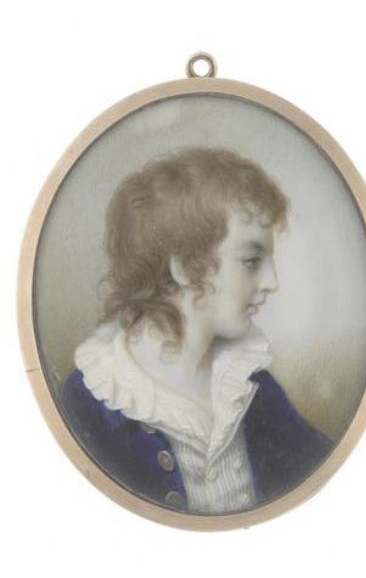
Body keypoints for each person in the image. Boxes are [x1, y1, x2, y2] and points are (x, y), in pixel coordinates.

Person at [60, 147, 332, 515]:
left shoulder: (252, 390)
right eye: (251, 261)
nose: (272, 282)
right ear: (185, 269)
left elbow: (328, 483)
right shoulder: (91, 403)